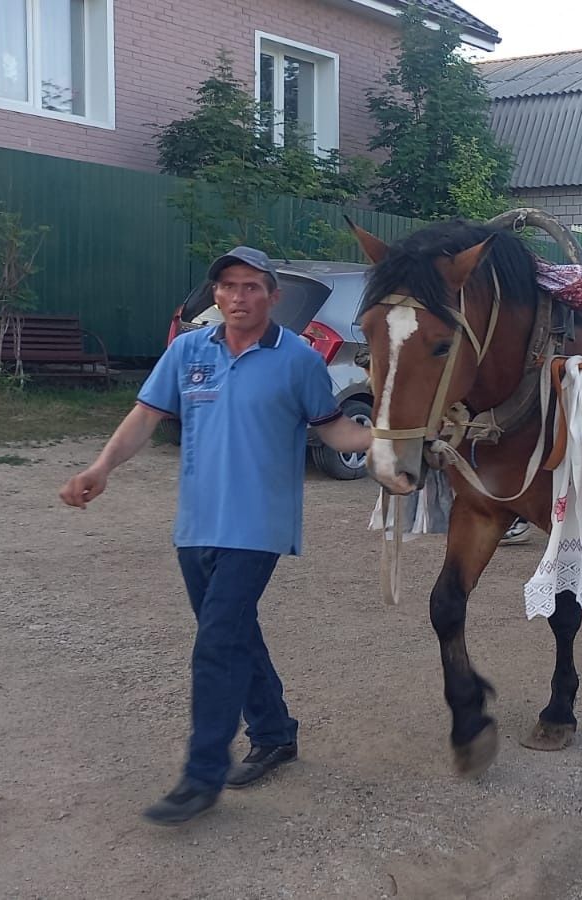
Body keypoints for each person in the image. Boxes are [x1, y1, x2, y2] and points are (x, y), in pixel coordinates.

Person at [58, 247, 372, 826]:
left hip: (259, 525)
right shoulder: (187, 351)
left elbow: (331, 429)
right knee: (231, 632)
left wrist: (385, 444)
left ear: (272, 296)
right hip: (196, 523)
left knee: (216, 644)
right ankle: (275, 733)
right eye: (228, 287)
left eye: (251, 287)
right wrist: (100, 468)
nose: (237, 297)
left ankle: (201, 778)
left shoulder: (298, 358)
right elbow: (145, 418)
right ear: (217, 294)